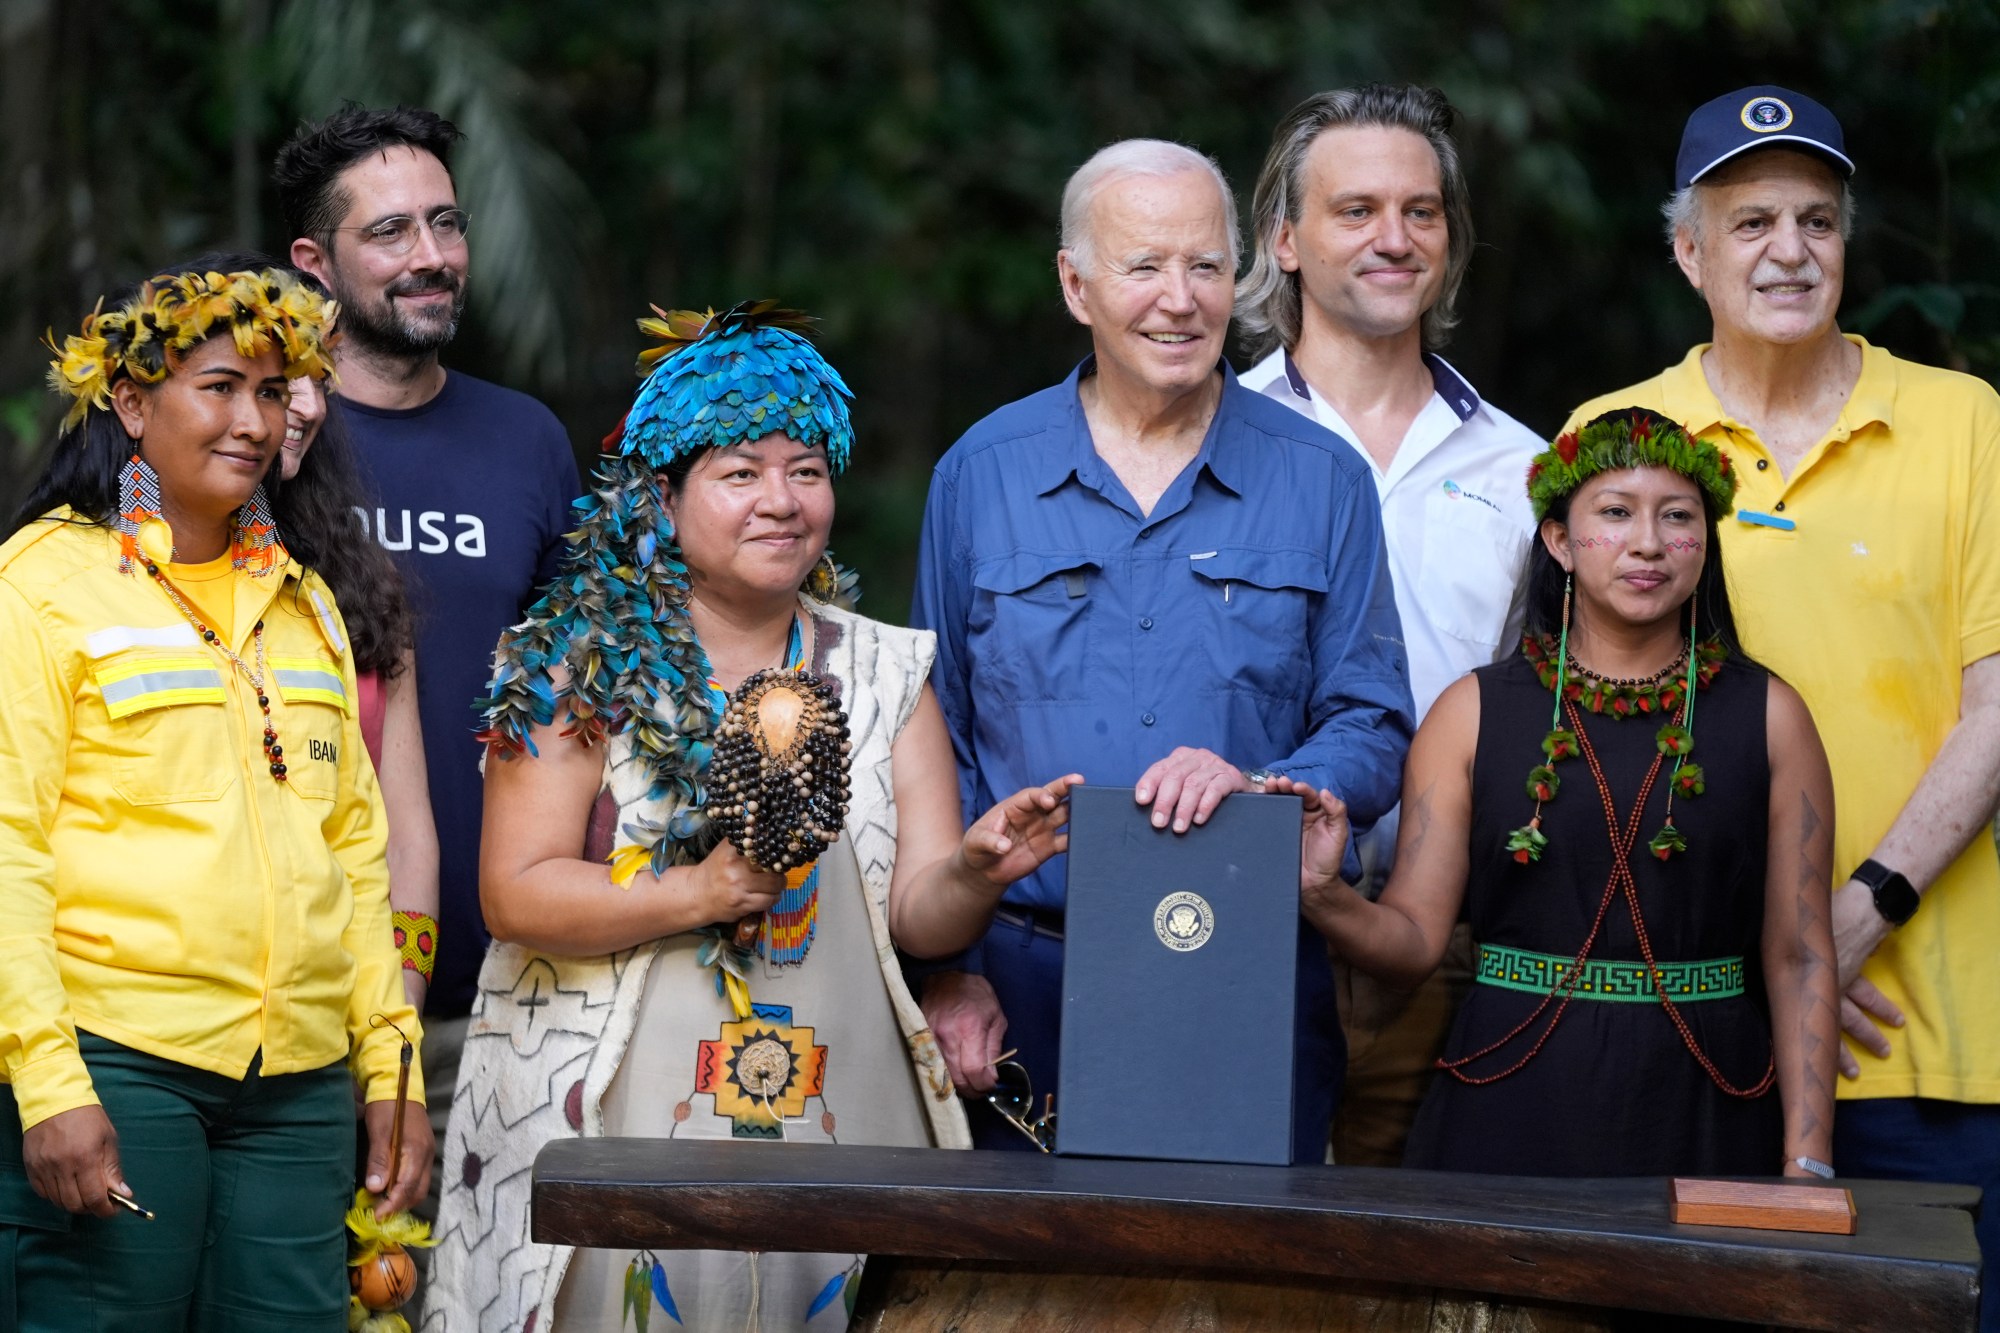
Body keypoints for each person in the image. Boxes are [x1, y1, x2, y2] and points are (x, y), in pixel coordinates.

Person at [423, 303, 1077, 1332]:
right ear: (663, 495)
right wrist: (699, 891)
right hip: (612, 1103)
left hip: (836, 1100)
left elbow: (918, 919)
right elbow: (514, 890)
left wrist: (979, 870)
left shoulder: (883, 668)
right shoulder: (576, 664)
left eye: (806, 470)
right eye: (739, 472)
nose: (782, 500)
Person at [1567, 86, 2000, 1329]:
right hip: (1700, 1023)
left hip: (1930, 1034)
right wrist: (1761, 956)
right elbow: (1588, 738)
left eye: (1817, 219)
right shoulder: (1619, 438)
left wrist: (1856, 912)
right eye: (1749, 220)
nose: (1789, 250)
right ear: (1685, 252)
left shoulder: (1962, 424)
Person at [910, 139, 1416, 1159]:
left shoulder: (1323, 479)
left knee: (1242, 1303)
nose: (1178, 300)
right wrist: (944, 971)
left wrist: (1269, 782)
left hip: (1247, 964)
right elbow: (934, 739)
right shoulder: (981, 473)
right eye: (1142, 267)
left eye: (1204, 267)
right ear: (1075, 284)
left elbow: (1369, 718)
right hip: (1019, 984)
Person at [0, 265, 431, 1329]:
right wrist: (51, 1086)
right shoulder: (45, 584)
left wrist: (393, 1064)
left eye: (274, 393)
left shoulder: (309, 606)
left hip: (297, 1087)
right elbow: (7, 846)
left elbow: (355, 857)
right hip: (120, 1063)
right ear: (133, 404)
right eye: (221, 386)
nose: (255, 421)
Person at [1284, 409, 1839, 1177]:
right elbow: (1411, 942)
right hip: (1508, 1098)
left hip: (1710, 1102)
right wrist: (1323, 894)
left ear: (1704, 542)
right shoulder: (1472, 713)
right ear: (1558, 541)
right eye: (1615, 513)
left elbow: (1800, 954)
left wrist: (1808, 1162)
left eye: (1676, 516)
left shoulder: (1772, 716)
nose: (1648, 541)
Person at [1235, 84, 1542, 1165]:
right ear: (1283, 237)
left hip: (1457, 950)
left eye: (1420, 211)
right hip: (1236, 923)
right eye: (1354, 209)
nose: (1392, 237)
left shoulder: (1523, 471)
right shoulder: (1210, 447)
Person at [275, 105, 582, 1160]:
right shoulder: (259, 438)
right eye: (391, 233)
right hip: (298, 999)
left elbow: (576, 693)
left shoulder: (526, 439)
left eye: (446, 225)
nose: (432, 257)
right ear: (314, 262)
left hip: (500, 996)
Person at [198, 249, 441, 1010]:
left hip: (342, 1012)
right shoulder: (100, 571)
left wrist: (394, 1022)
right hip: (160, 1016)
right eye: (272, 382)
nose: (304, 405)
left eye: (317, 378)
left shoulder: (365, 585)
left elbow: (404, 840)